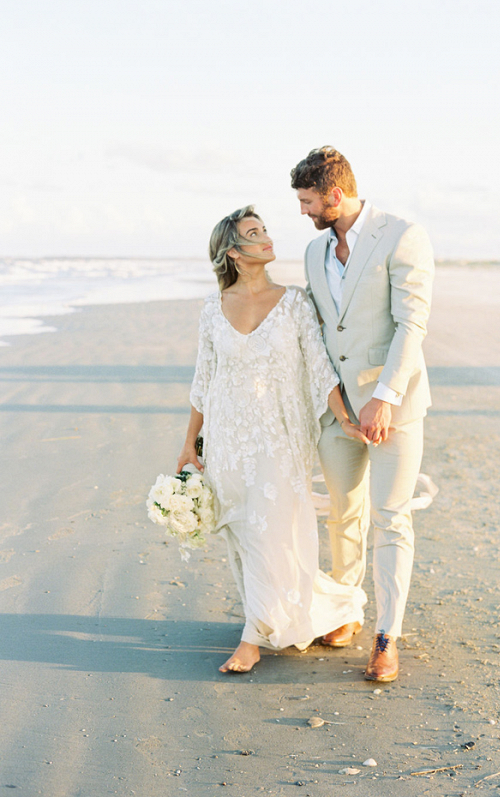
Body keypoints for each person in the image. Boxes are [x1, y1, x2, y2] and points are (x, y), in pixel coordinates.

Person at [176, 205, 368, 674]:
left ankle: (253, 639)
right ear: (234, 253)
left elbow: (320, 367)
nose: (266, 238)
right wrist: (190, 445)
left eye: (264, 230)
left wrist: (345, 416)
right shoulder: (212, 308)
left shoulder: (295, 302)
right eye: (253, 233)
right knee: (243, 534)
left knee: (275, 534)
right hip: (226, 439)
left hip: (277, 441)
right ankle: (278, 616)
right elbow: (205, 380)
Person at [291, 147, 435, 682]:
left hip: (393, 405)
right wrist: (334, 399)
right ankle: (345, 610)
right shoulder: (313, 251)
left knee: (391, 518)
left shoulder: (402, 235)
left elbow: (411, 325)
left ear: (334, 194)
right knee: (342, 514)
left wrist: (385, 398)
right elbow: (319, 328)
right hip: (337, 411)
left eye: (308, 201)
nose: (303, 211)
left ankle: (385, 636)